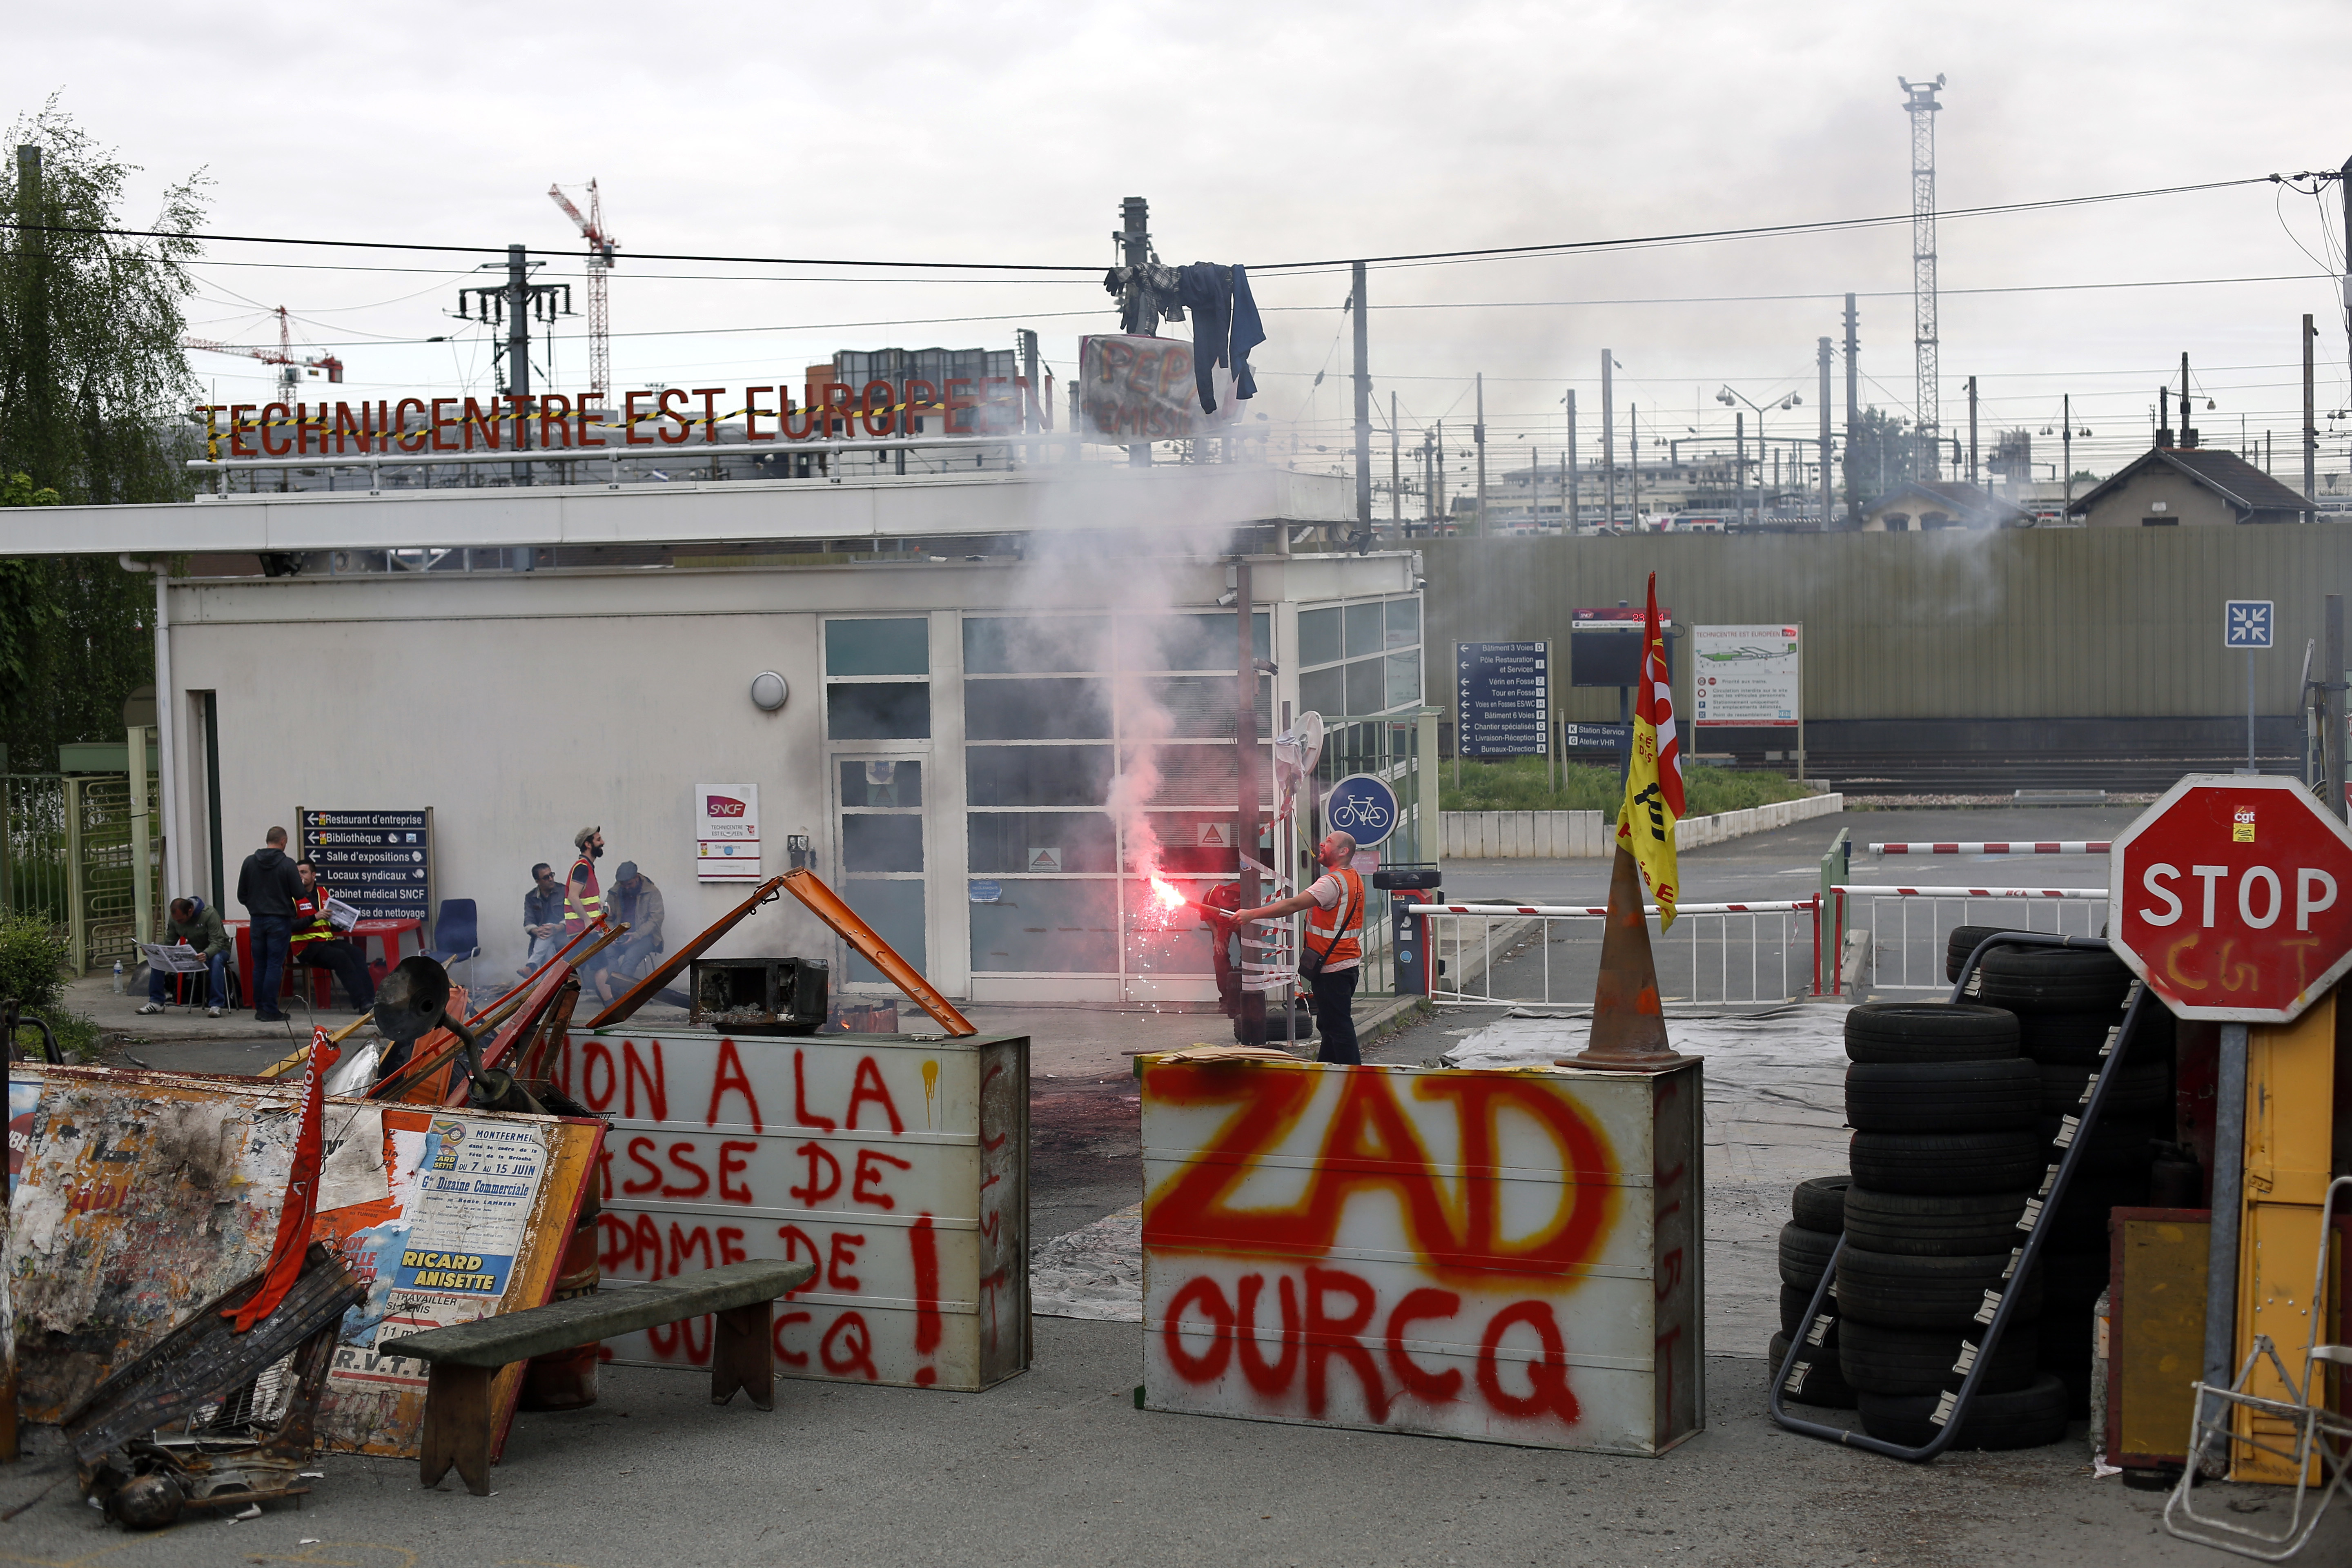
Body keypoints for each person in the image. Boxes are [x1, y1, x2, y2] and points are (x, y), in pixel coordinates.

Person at [1231, 830, 1365, 1065]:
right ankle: (1326, 1073)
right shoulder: (1352, 877)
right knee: (1329, 1024)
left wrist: (1251, 915)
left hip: (1333, 967)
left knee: (1339, 1027)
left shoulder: (1331, 883)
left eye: (1330, 842)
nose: (1322, 844)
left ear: (1344, 851)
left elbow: (1292, 905)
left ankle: (1354, 1082)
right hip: (1344, 965)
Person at [236, 826, 303, 1022]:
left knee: (260, 965)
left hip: (257, 920)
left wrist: (255, 907)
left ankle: (260, 1008)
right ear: (284, 842)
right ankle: (271, 1010)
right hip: (280, 921)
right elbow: (299, 894)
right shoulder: (287, 864)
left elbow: (242, 895)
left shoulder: (249, 862)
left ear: (268, 840)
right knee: (275, 965)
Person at [291, 860, 378, 1012]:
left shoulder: (323, 893)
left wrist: (345, 922)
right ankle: (362, 1002)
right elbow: (290, 926)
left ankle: (373, 1000)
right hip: (306, 947)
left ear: (313, 875)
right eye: (297, 873)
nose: (300, 876)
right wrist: (315, 917)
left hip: (326, 941)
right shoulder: (291, 897)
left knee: (357, 953)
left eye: (303, 872)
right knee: (341, 957)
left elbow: (329, 923)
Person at [134, 895, 230, 1018]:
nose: (178, 922)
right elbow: (170, 940)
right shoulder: (176, 918)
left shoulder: (209, 914)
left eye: (181, 920)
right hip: (193, 951)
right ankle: (156, 1002)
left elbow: (217, 942)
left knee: (216, 961)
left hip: (218, 950)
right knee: (157, 958)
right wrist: (153, 950)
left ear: (190, 911)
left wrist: (207, 954)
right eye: (176, 920)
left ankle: (216, 1005)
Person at [597, 861, 665, 1005]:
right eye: (624, 886)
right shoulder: (614, 893)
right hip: (619, 935)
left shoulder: (652, 892)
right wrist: (610, 934)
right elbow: (607, 918)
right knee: (606, 952)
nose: (627, 888)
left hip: (646, 937)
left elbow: (655, 920)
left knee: (631, 956)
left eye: (630, 885)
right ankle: (614, 991)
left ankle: (617, 994)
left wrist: (637, 936)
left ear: (637, 878)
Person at [521, 862, 564, 975]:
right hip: (543, 939)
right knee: (548, 950)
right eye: (546, 877)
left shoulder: (564, 891)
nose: (551, 879)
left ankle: (531, 966)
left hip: (564, 937)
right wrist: (537, 931)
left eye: (552, 875)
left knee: (549, 928)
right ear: (537, 881)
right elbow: (528, 921)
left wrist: (559, 927)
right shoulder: (531, 897)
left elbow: (573, 916)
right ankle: (552, 989)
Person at [564, 826, 606, 934]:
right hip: (581, 932)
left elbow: (582, 895)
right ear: (588, 845)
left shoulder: (586, 867)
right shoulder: (582, 868)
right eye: (598, 840)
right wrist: (588, 920)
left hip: (585, 932)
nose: (603, 842)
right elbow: (573, 897)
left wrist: (597, 903)